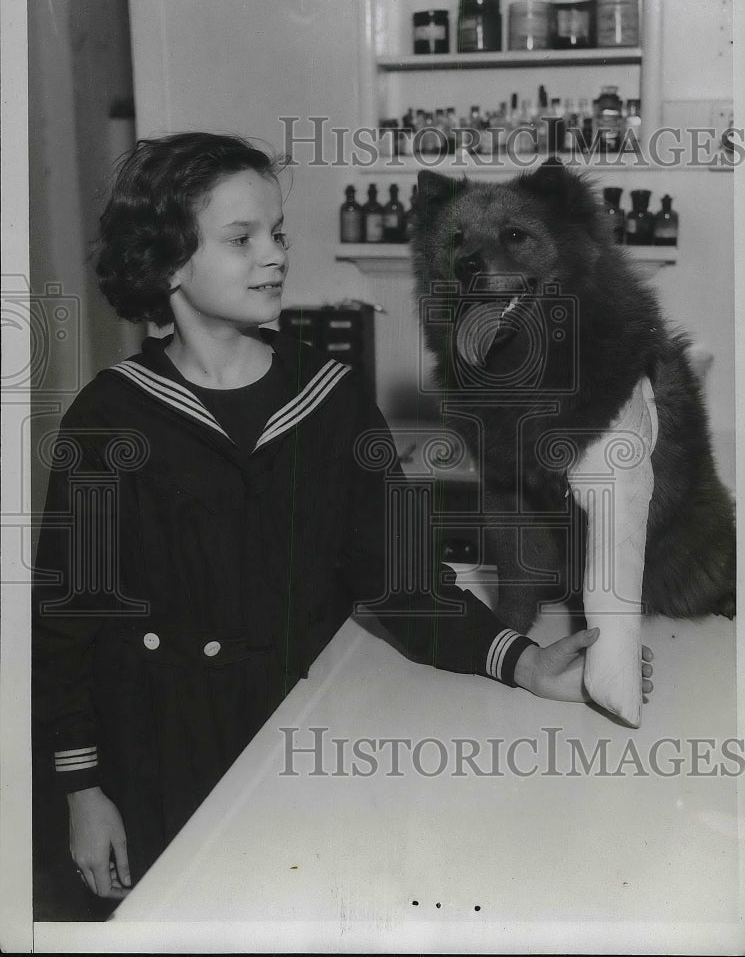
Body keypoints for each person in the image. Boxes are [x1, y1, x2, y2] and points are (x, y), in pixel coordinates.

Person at [32, 132, 653, 913]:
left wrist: (523, 662)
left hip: (296, 734)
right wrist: (81, 789)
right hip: (154, 755)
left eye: (277, 232)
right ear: (167, 264)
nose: (274, 255)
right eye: (241, 238)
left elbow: (402, 584)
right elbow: (65, 621)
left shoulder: (330, 395)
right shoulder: (108, 415)